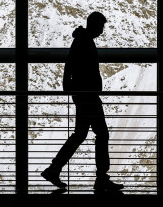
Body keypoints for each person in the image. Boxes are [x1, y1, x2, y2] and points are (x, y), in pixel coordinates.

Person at [41, 11, 124, 192]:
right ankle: (101, 178)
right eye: (101, 27)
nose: (102, 31)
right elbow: (75, 66)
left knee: (81, 135)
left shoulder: (82, 40)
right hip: (88, 96)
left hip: (84, 95)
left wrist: (71, 89)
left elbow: (70, 66)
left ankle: (54, 169)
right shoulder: (84, 41)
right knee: (101, 134)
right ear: (94, 25)